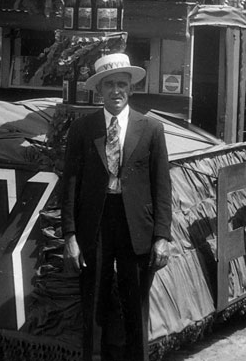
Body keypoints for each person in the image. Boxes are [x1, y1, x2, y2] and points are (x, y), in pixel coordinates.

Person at [61, 53, 172, 361]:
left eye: (121, 84)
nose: (116, 91)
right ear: (99, 91)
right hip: (94, 224)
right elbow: (70, 185)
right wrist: (69, 235)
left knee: (136, 304)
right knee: (93, 302)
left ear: (131, 88)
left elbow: (162, 187)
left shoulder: (151, 129)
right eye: (109, 85)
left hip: (136, 225)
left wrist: (162, 236)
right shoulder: (84, 129)